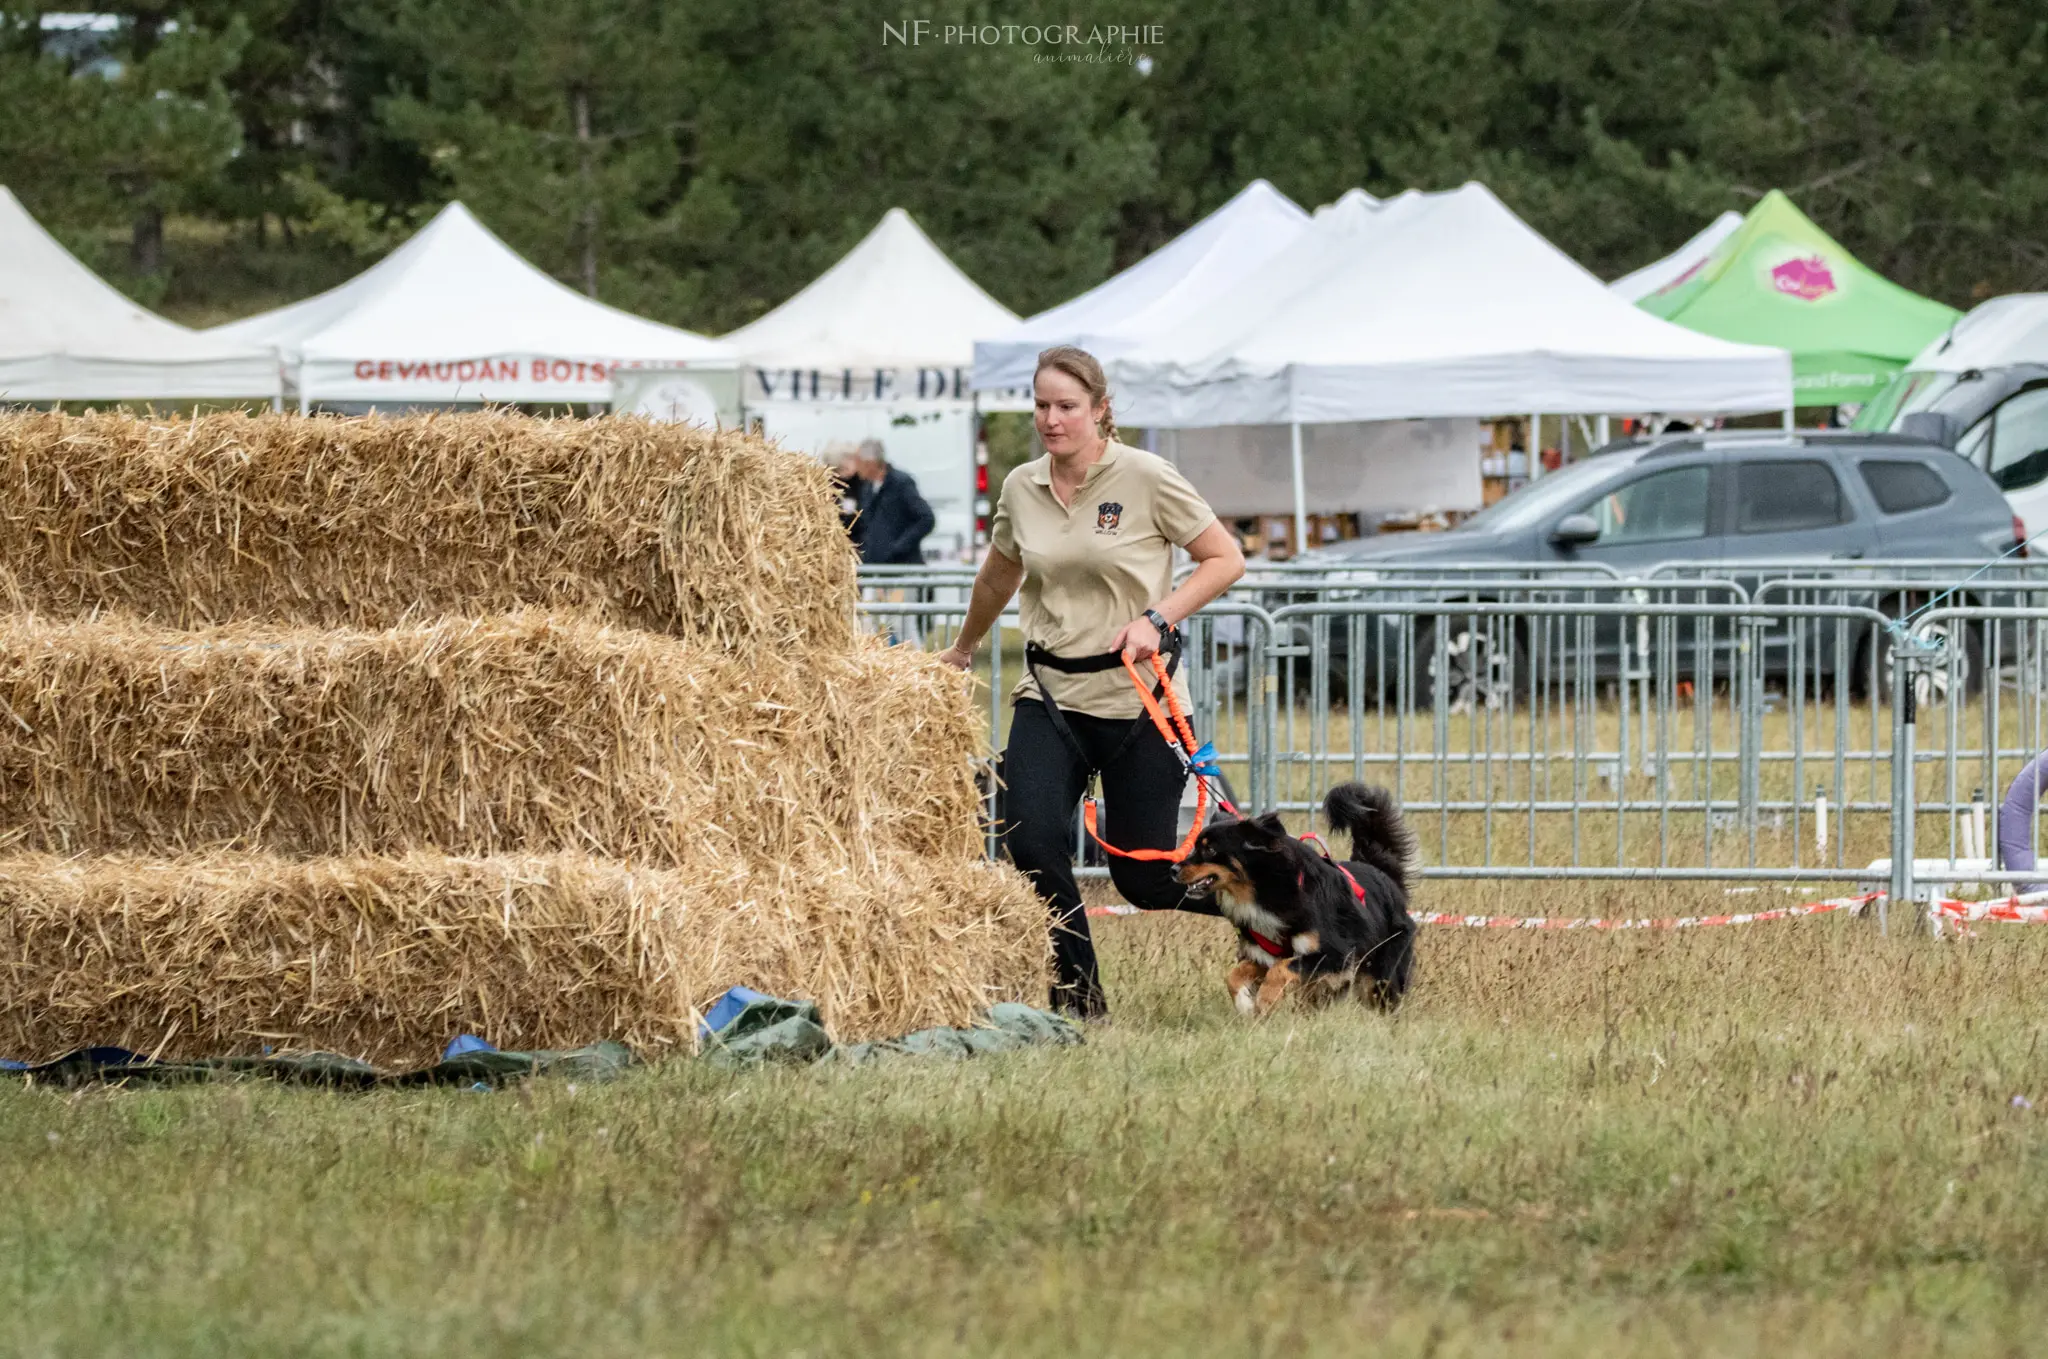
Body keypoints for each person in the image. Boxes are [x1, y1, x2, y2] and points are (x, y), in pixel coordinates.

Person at [939, 345, 1246, 1019]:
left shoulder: (1146, 477)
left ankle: (1269, 905)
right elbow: (998, 575)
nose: (1052, 419)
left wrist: (1157, 618)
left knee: (1143, 878)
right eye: (1041, 406)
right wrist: (963, 648)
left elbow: (1225, 559)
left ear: (1100, 411)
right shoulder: (1022, 487)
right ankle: (1078, 997)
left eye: (1067, 407)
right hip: (1050, 695)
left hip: (1137, 702)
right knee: (1030, 839)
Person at [849, 439, 935, 566]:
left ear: (870, 463)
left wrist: (898, 547)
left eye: (858, 462)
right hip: (875, 567)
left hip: (902, 567)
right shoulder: (867, 488)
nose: (856, 468)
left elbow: (926, 518)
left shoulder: (901, 483)